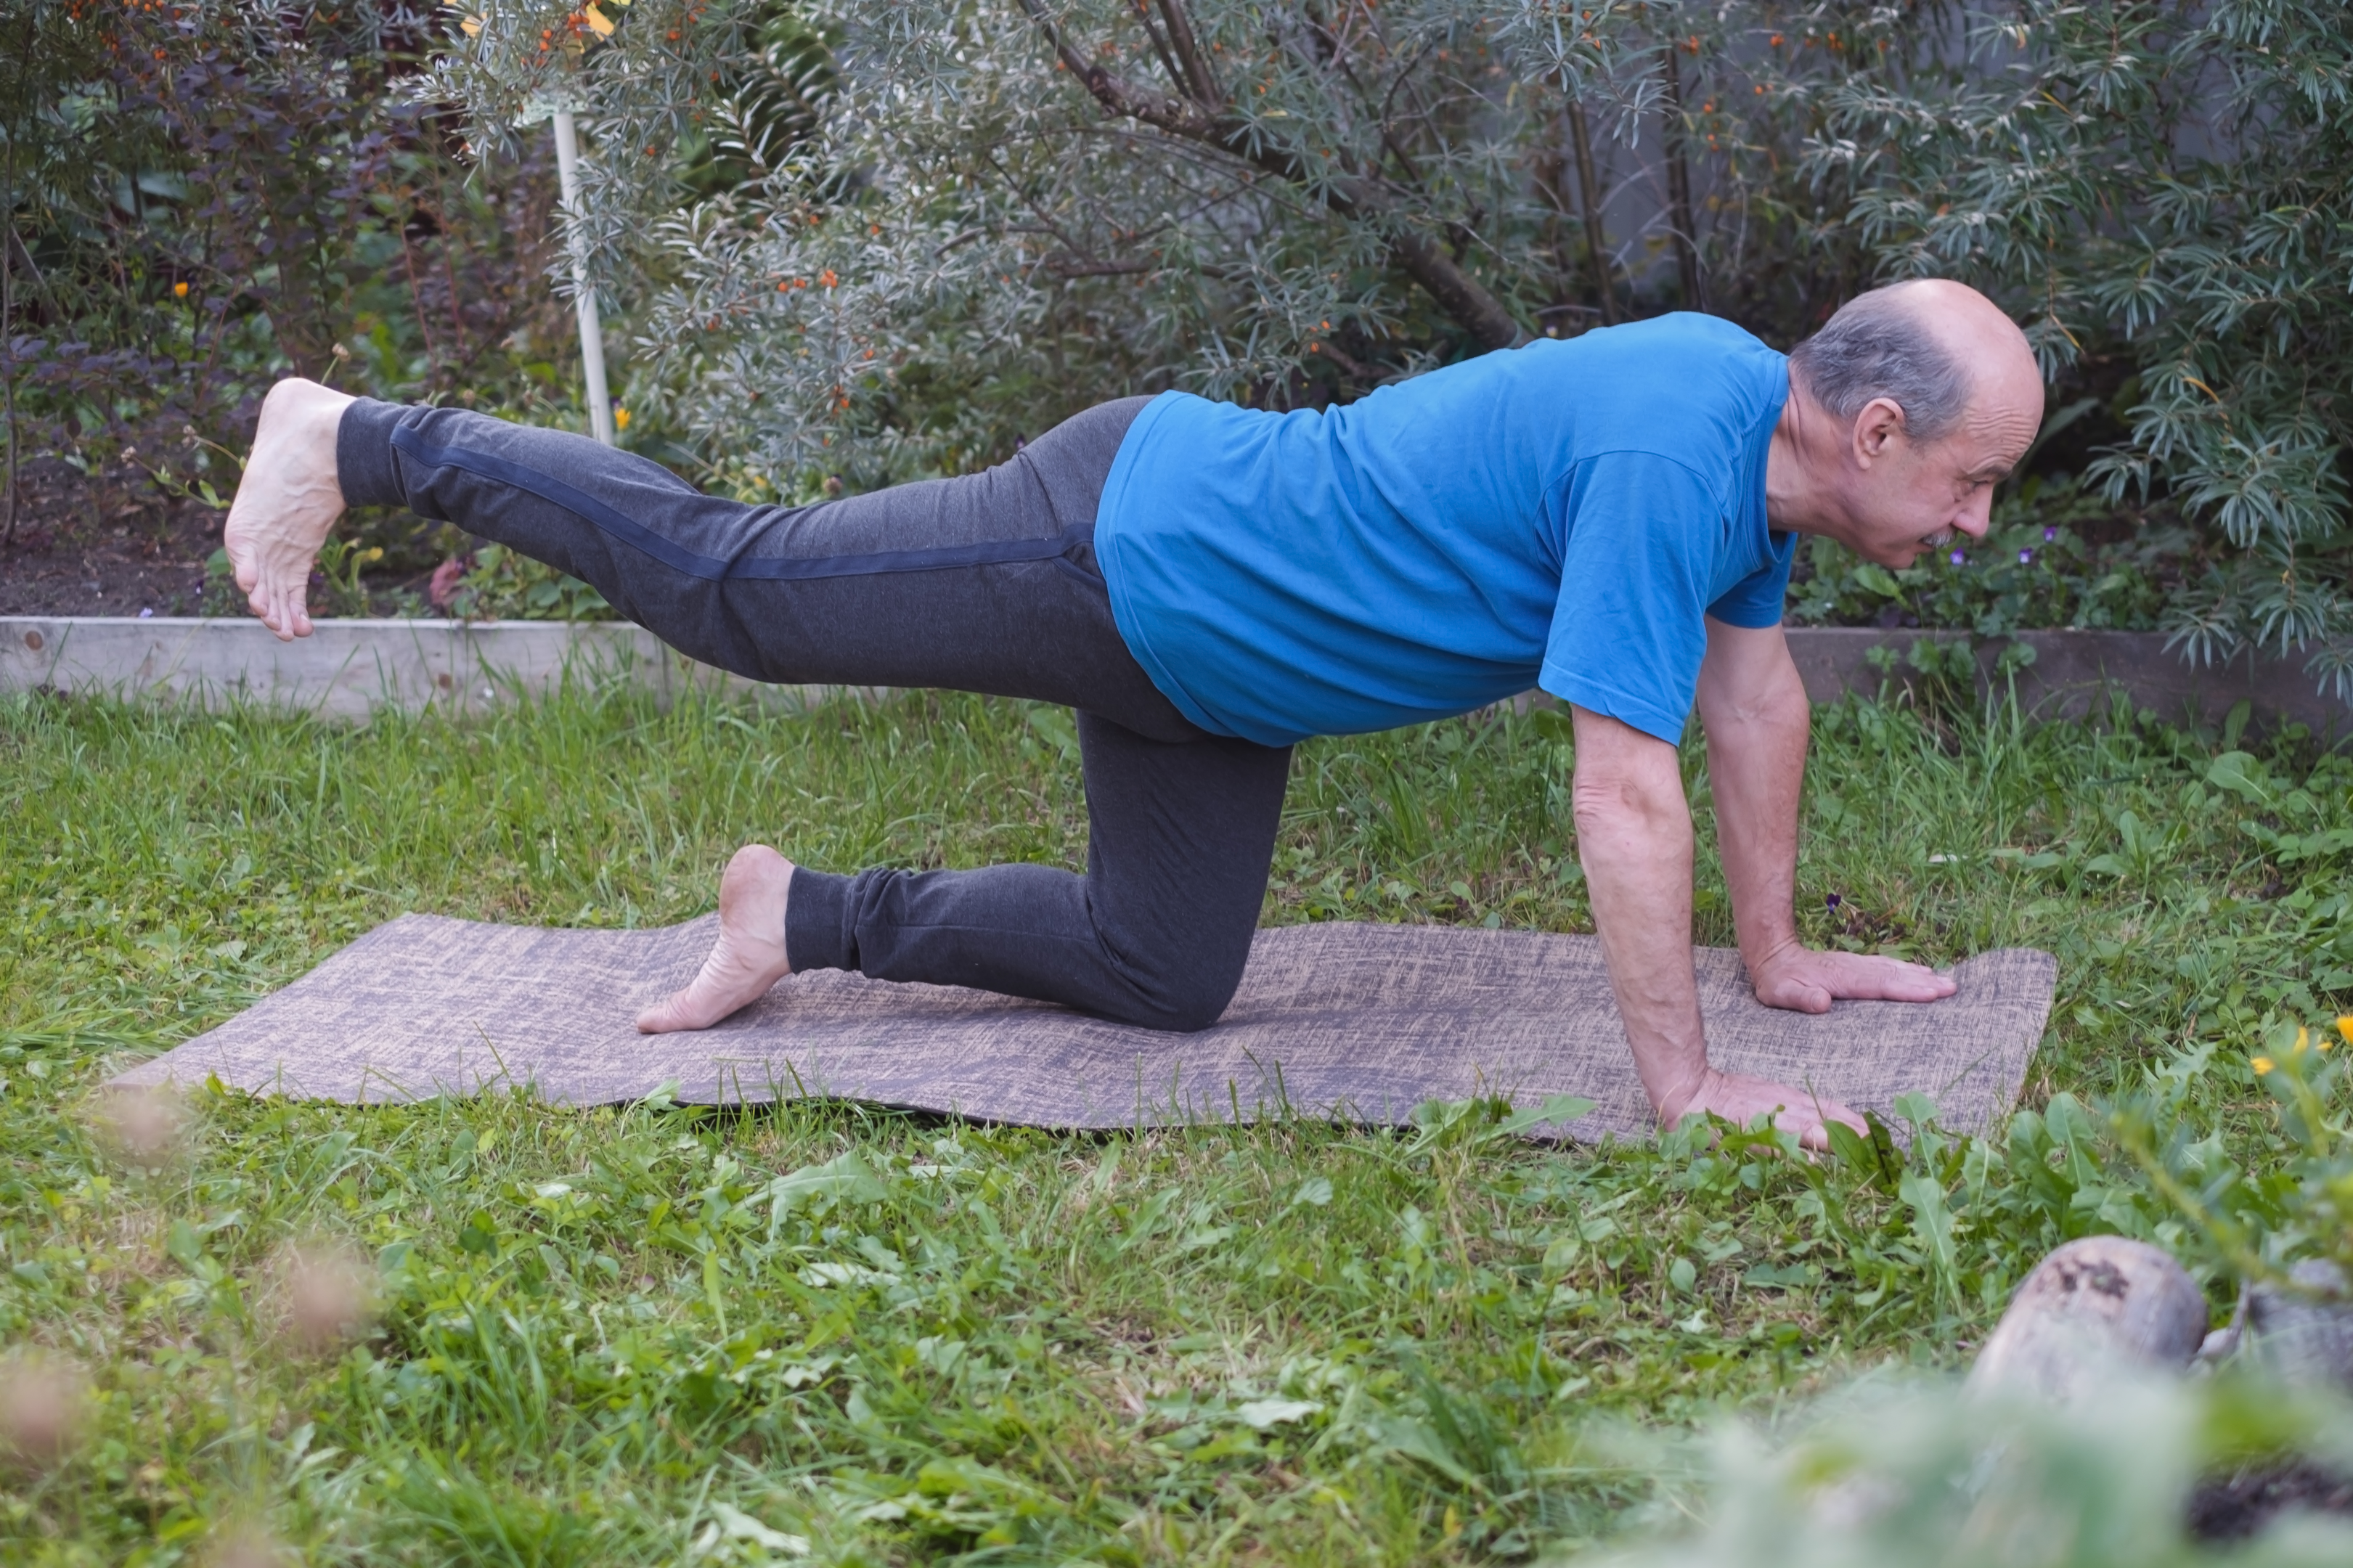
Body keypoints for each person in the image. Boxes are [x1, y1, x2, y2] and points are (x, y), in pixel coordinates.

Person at [223, 279, 2044, 1148]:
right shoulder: (1680, 442)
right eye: (1973, 482)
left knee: (1166, 970)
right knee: (742, 592)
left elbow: (1756, 703)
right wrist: (1692, 1082)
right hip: (1126, 544)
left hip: (1217, 676)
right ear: (1873, 431)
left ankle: (802, 916)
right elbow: (1622, 792)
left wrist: (1784, 959)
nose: (1974, 523)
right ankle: (367, 437)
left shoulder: (1753, 467)